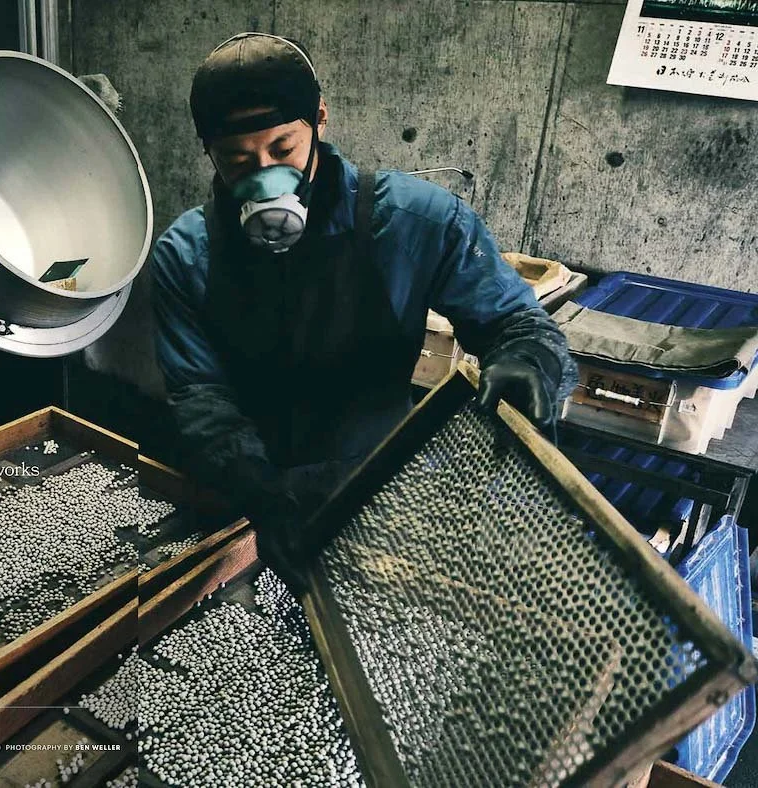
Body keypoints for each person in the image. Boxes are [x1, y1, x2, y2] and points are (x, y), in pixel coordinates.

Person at [150, 32, 579, 590]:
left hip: (382, 487)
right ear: (209, 152)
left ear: (320, 121)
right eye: (237, 160)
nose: (263, 174)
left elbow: (514, 322)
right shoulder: (186, 256)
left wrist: (528, 360)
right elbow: (200, 396)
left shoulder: (413, 222)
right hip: (248, 496)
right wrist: (262, 494)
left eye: (283, 150)